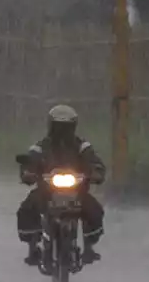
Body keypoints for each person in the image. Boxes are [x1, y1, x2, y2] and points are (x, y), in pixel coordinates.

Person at [16, 105, 106, 265]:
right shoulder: (41, 146)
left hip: (77, 192)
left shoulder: (82, 146)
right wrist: (27, 172)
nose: (62, 131)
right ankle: (33, 246)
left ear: (73, 126)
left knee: (95, 210)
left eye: (65, 127)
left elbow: (94, 160)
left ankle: (89, 247)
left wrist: (96, 171)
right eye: (58, 127)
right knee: (27, 209)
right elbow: (30, 160)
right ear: (51, 126)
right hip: (47, 192)